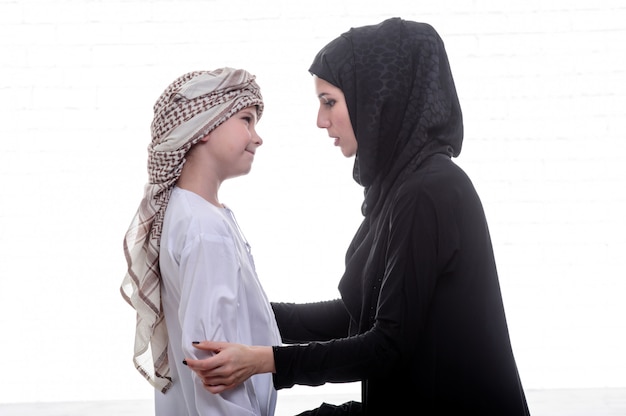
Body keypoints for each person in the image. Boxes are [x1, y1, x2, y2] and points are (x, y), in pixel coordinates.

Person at [185, 18, 530, 415]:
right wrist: (253, 315)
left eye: (329, 101)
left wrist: (266, 361)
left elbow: (387, 345)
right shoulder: (402, 188)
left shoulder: (429, 192)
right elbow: (354, 314)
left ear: (376, 100)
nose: (321, 120)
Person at [120, 67, 282, 416]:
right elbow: (212, 363)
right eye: (246, 120)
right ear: (204, 126)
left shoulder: (189, 213)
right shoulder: (204, 228)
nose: (257, 138)